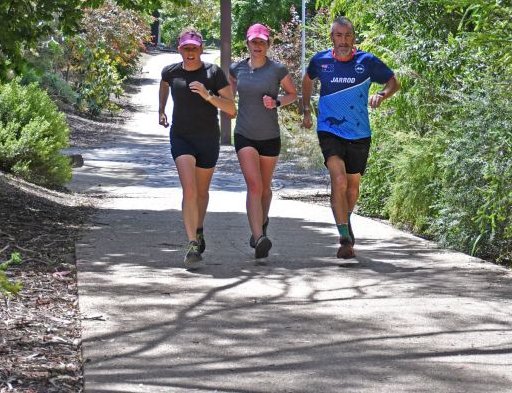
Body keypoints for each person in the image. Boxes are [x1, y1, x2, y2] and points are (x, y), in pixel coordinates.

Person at [301, 16, 400, 259]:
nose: (343, 41)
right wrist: (306, 110)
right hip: (329, 130)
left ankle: (346, 220)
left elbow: (393, 82)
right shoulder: (321, 61)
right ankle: (344, 237)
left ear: (353, 37)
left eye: (347, 36)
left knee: (353, 187)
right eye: (338, 35)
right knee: (339, 179)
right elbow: (306, 79)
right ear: (331, 37)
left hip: (359, 132)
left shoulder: (366, 61)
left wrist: (382, 95)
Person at [159, 28, 236, 267]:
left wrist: (208, 95)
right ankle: (192, 242)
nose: (190, 52)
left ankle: (199, 228)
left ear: (201, 49)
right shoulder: (170, 72)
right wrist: (160, 110)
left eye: (194, 48)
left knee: (201, 192)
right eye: (186, 48)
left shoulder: (213, 73)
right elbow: (164, 86)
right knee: (189, 190)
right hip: (181, 137)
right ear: (179, 49)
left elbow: (231, 109)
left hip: (207, 139)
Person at [230, 23, 298, 259]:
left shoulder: (277, 69)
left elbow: (293, 94)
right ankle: (259, 237)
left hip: (270, 136)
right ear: (247, 43)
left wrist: (277, 102)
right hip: (244, 134)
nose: (257, 46)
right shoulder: (236, 69)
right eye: (253, 41)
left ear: (268, 45)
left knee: (266, 189)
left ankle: (262, 222)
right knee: (255, 186)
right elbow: (227, 98)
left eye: (262, 42)